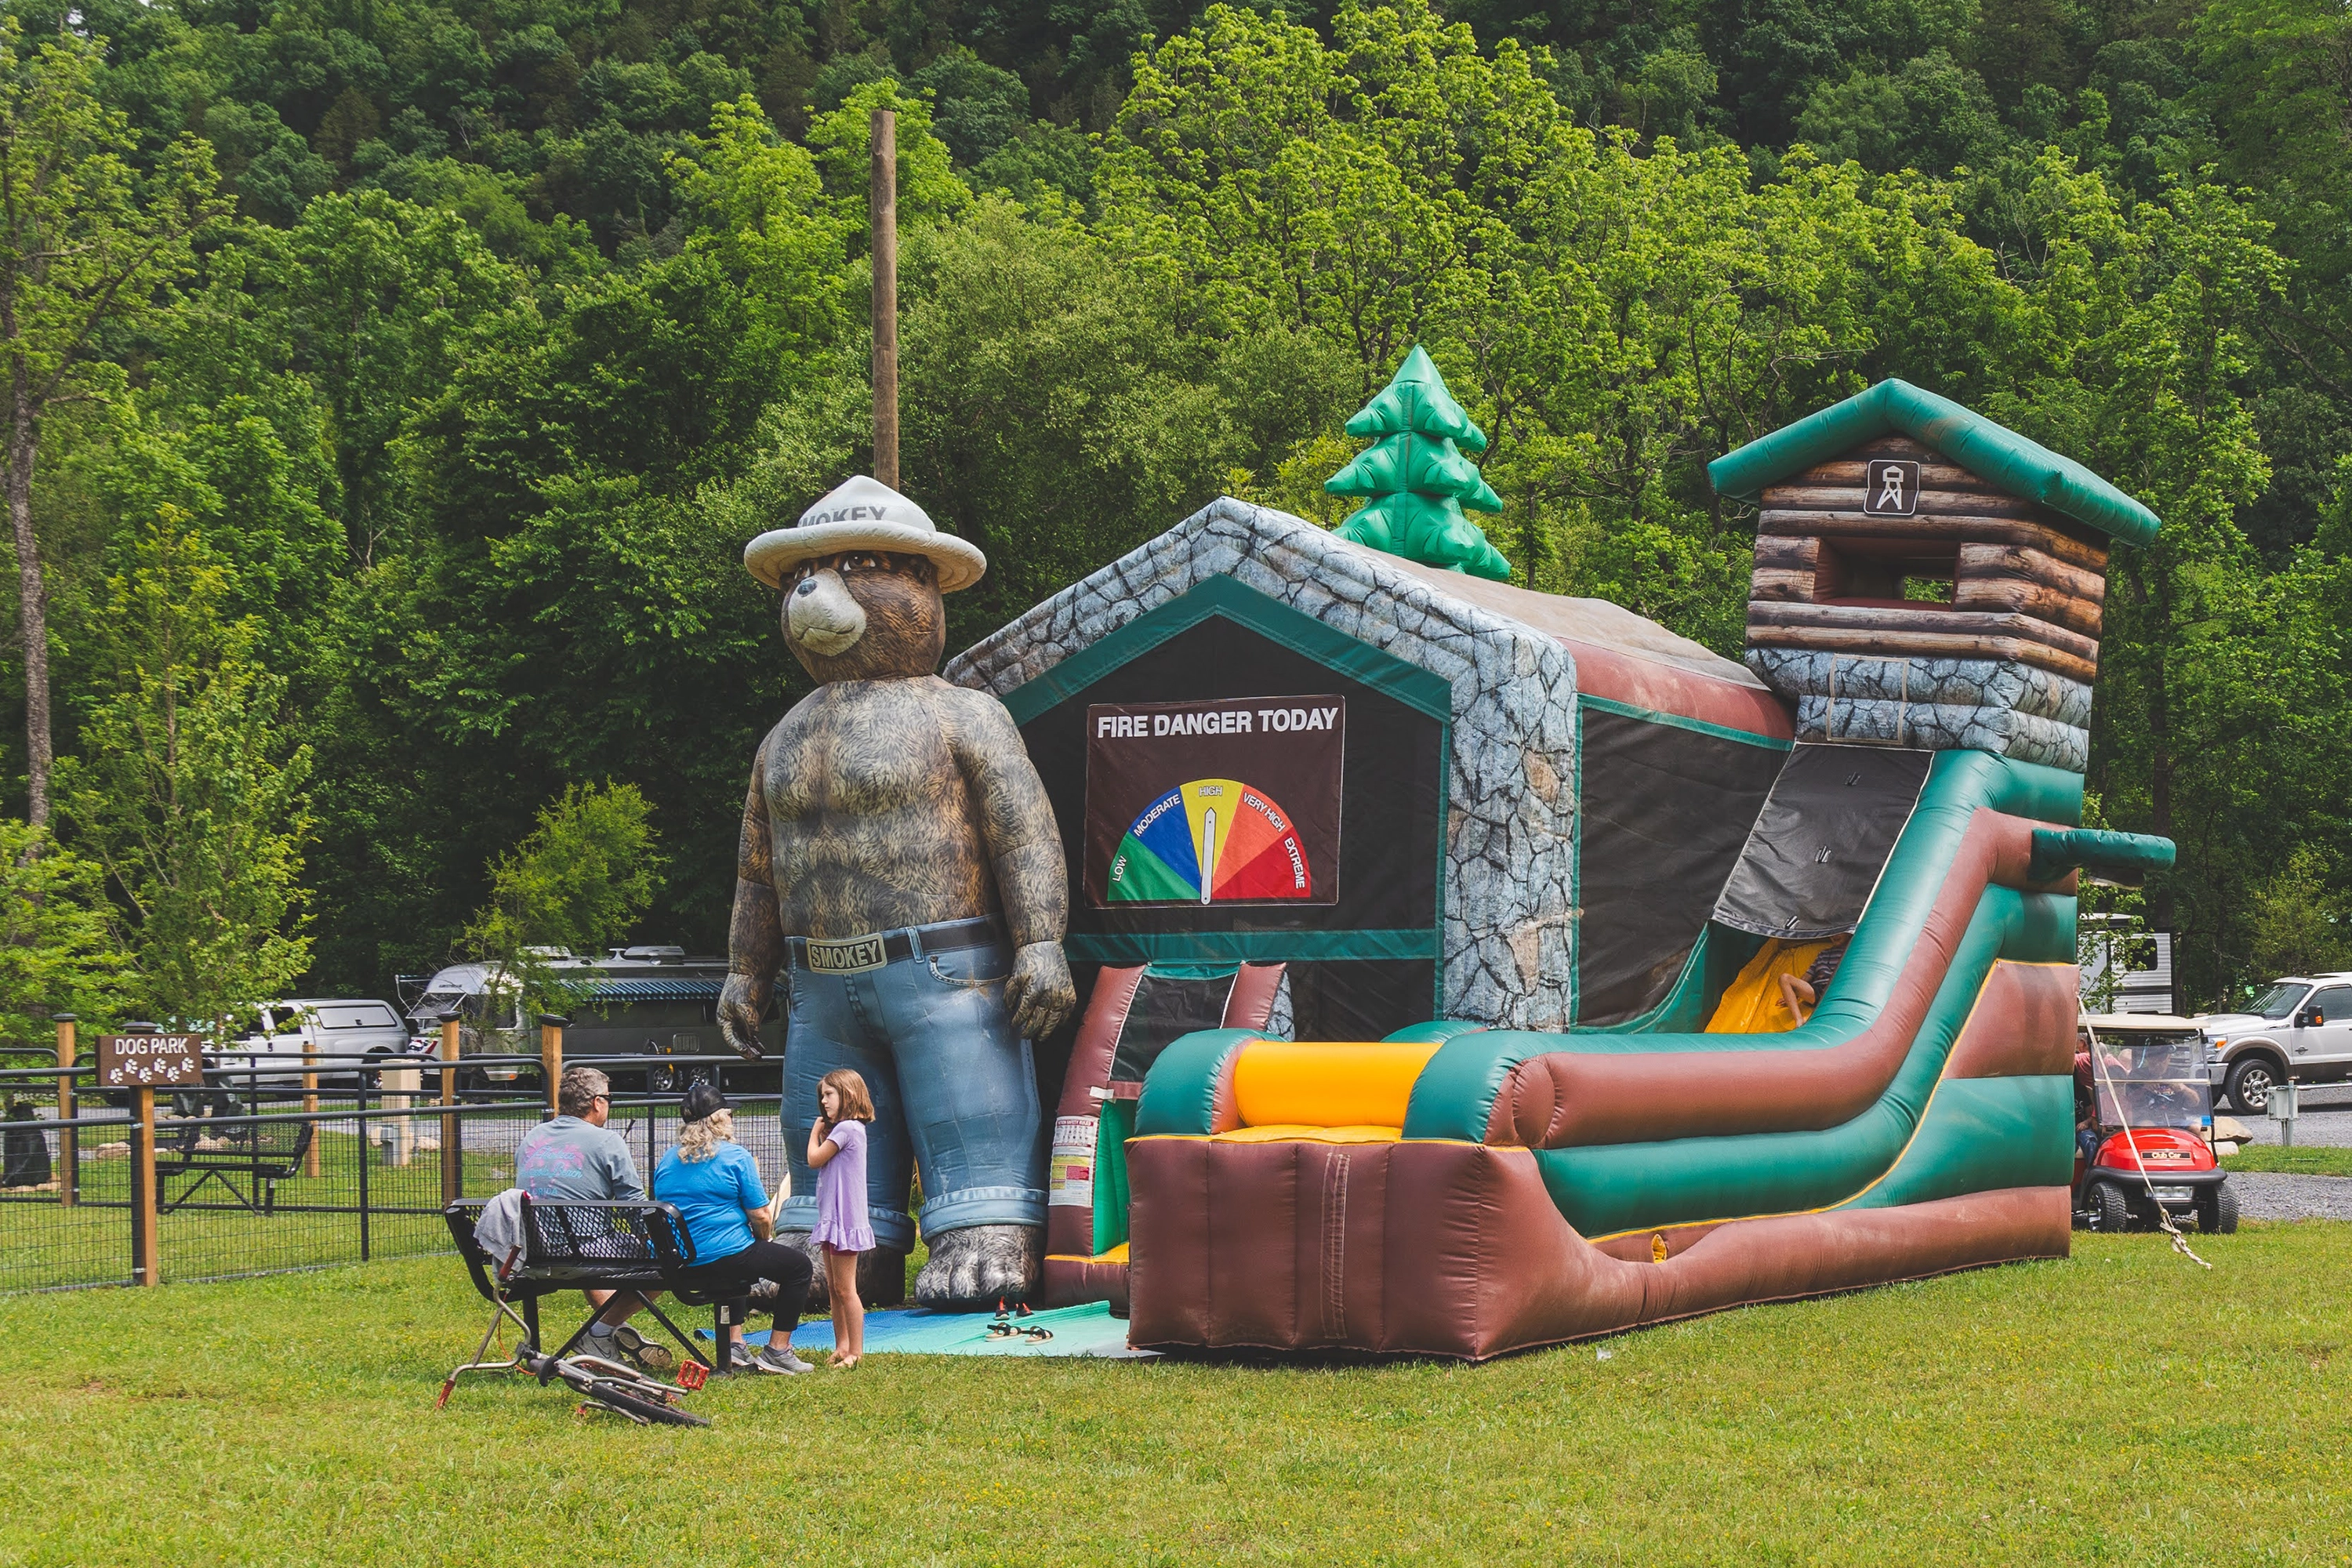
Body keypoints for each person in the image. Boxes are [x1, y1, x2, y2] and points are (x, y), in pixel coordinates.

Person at [516, 1065, 671, 1373]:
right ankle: (599, 1333)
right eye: (609, 1098)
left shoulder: (532, 1138)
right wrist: (653, 1239)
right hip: (584, 1251)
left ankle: (606, 1333)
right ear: (597, 1102)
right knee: (664, 1263)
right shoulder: (606, 1141)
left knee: (590, 1238)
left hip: (534, 1252)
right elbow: (635, 1204)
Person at [657, 1081, 816, 1375]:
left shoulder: (667, 1160)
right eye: (730, 1114)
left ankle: (735, 1344)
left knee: (736, 1256)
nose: (733, 1120)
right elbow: (761, 1216)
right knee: (798, 1267)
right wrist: (762, 1239)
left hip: (682, 1263)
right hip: (725, 1257)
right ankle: (778, 1351)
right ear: (719, 1119)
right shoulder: (735, 1156)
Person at [807, 1069, 877, 1370]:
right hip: (832, 1219)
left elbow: (813, 1160)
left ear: (848, 1094)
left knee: (846, 1289)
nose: (824, 1102)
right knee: (834, 1288)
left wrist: (814, 1133)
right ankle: (841, 1345)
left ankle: (856, 1352)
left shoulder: (848, 1129)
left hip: (845, 1221)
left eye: (829, 1094)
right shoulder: (843, 1130)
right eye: (822, 1095)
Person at [1777, 941, 1849, 1027]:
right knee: (1784, 978)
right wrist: (1793, 994)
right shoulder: (1824, 954)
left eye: (1840, 932)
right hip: (1818, 991)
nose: (1835, 937)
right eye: (1833, 934)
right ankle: (1799, 1020)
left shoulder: (1851, 952)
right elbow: (1808, 975)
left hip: (1837, 990)